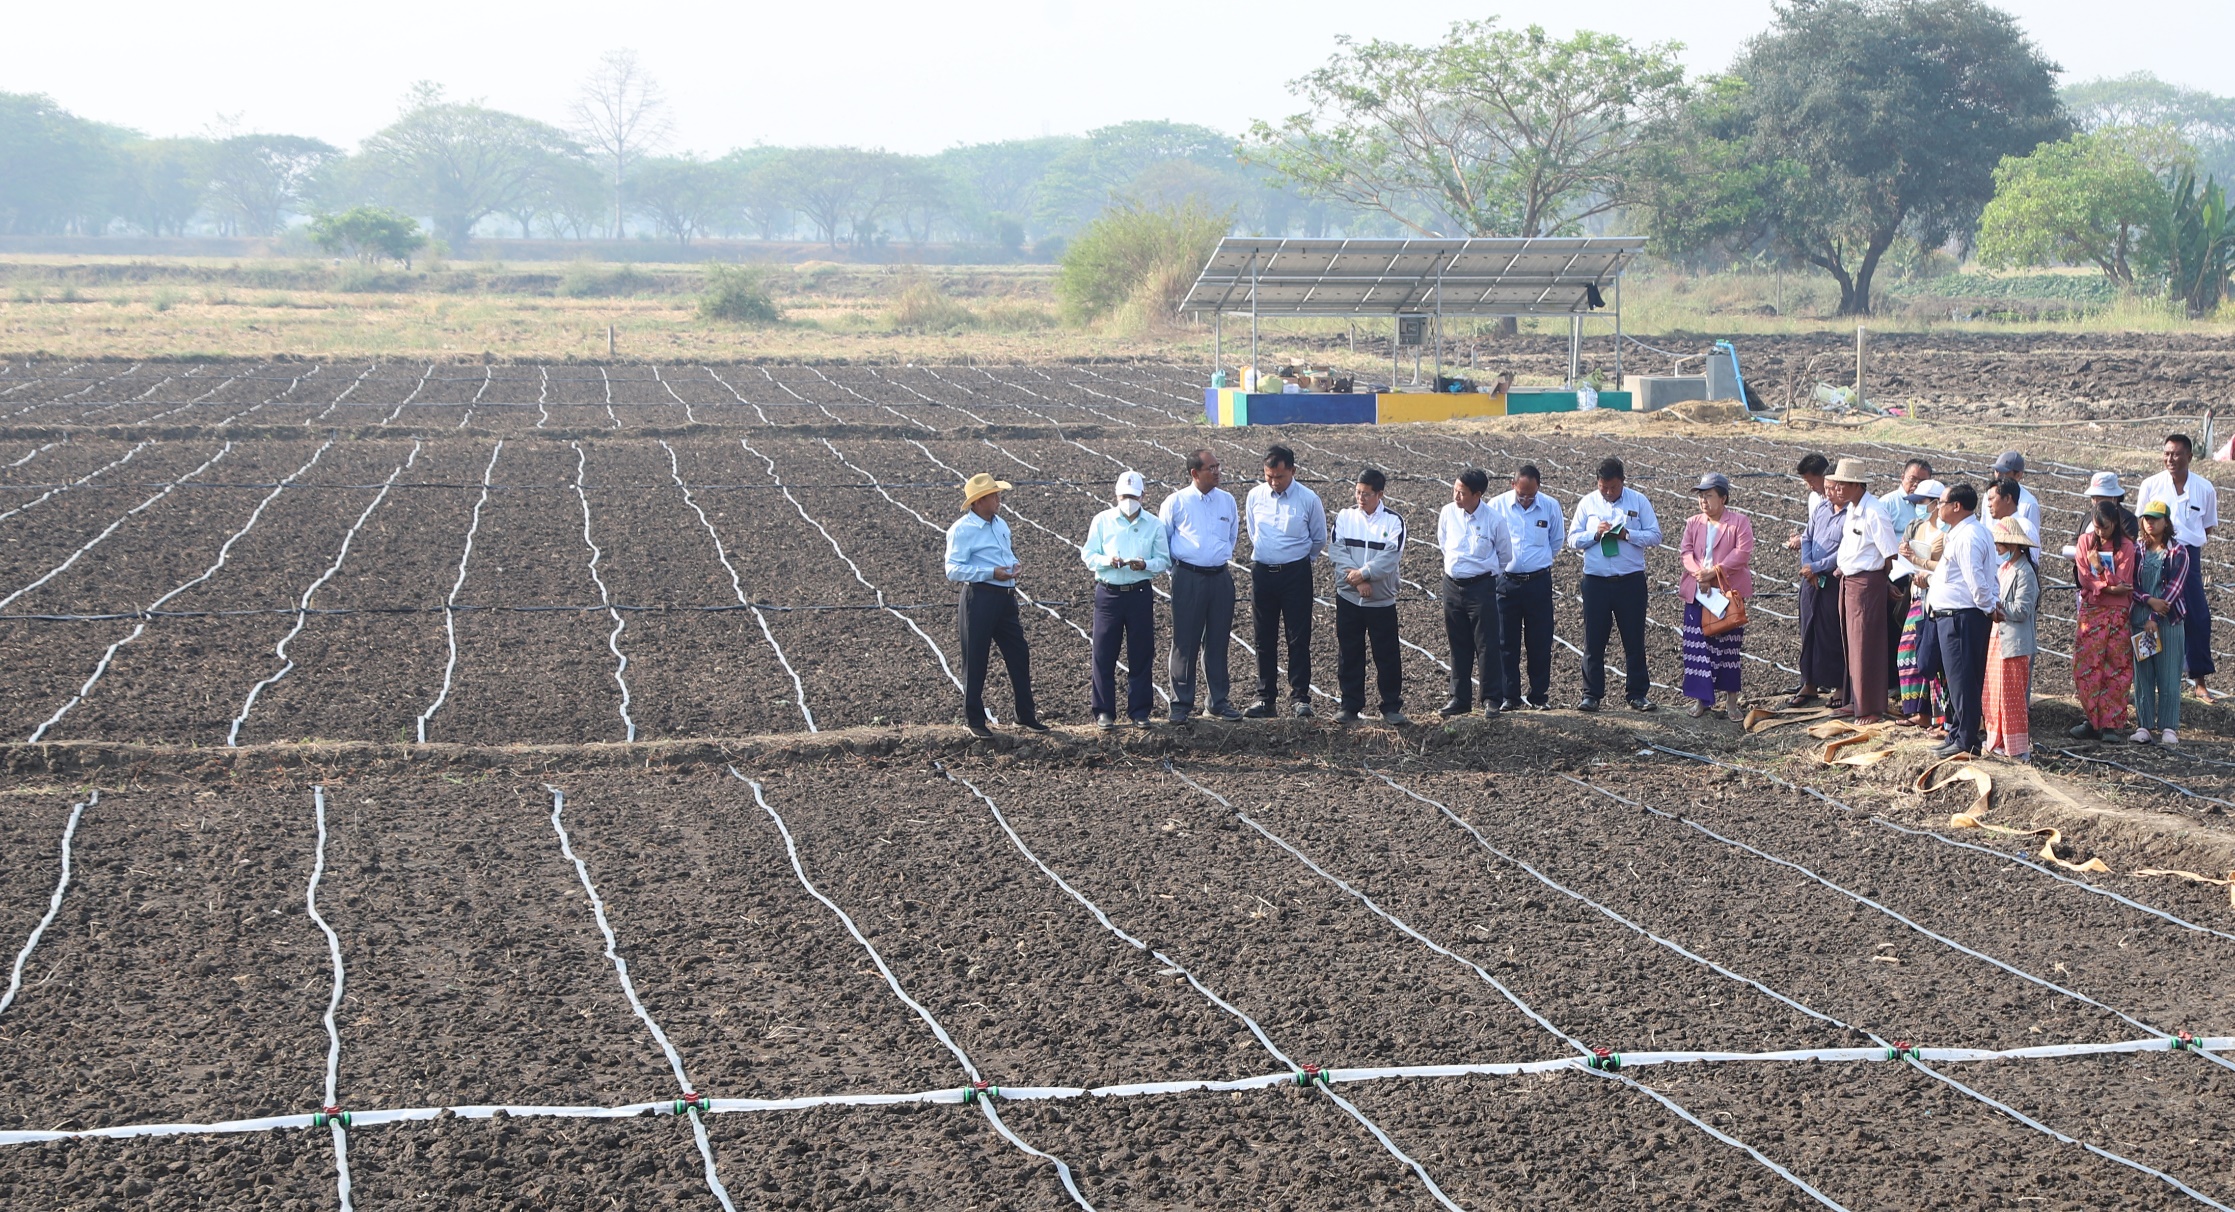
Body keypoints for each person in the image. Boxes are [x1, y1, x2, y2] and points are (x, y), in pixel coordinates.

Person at [945, 472, 1046, 737]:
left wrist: (1013, 565)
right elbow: (953, 569)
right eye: (994, 496)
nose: (999, 499)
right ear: (978, 501)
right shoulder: (962, 530)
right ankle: (974, 720)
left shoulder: (1001, 524)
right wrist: (990, 573)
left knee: (1019, 654)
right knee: (976, 658)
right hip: (979, 597)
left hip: (1005, 598)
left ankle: (1025, 715)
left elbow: (1005, 553)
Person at [1567, 456, 1662, 712]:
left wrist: (1628, 534)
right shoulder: (1587, 503)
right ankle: (1591, 695)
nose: (1608, 492)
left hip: (1630, 582)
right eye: (1603, 487)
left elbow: (1655, 535)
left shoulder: (1638, 501)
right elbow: (1572, 539)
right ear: (1597, 482)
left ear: (1623, 481)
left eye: (1613, 487)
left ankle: (1637, 694)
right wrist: (1595, 534)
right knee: (1594, 640)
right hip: (1596, 582)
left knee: (1634, 639)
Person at [1080, 470, 1170, 730]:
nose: (1128, 501)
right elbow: (1088, 555)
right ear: (1116, 495)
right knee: (1103, 652)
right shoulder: (1102, 520)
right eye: (1124, 496)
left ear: (1143, 496)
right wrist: (1107, 560)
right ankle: (1104, 711)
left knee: (1141, 652)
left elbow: (1163, 559)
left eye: (1133, 496)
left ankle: (1139, 711)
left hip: (1139, 592)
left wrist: (1145, 564)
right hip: (1109, 592)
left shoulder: (1154, 524)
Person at [1243, 445, 1327, 718]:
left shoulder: (1308, 499)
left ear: (1293, 471)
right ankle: (1265, 698)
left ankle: (1300, 698)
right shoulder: (1255, 496)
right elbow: (1253, 532)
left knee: (1298, 638)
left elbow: (1318, 538)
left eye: (1279, 476)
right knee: (1263, 637)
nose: (1274, 482)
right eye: (1269, 476)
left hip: (1295, 575)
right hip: (1262, 573)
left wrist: (1296, 559)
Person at [1160, 448, 1242, 724]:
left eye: (1218, 466)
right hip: (1188, 577)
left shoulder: (1227, 501)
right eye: (1211, 468)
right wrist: (1179, 572)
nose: (1217, 472)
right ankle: (1181, 704)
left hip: (1220, 577)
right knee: (1185, 641)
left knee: (1218, 640)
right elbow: (1164, 540)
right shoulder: (1176, 502)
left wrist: (1216, 559)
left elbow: (1232, 536)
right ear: (1195, 473)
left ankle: (1218, 701)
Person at [2136, 434, 2219, 702]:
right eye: (2167, 454)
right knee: (2150, 612)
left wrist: (2183, 548)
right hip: (2155, 551)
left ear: (2189, 456)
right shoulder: (2151, 485)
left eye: (2176, 454)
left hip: (2188, 555)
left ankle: (2199, 680)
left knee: (2197, 616)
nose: (2170, 459)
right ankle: (2147, 679)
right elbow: (2142, 522)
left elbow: (2207, 526)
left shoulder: (2204, 488)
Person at [1332, 467, 1409, 724]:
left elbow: (1390, 557)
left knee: (1386, 654)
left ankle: (1391, 706)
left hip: (1381, 600)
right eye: (1358, 492)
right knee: (1349, 652)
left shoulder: (1394, 521)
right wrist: (1358, 583)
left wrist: (1364, 574)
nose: (1360, 498)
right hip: (1349, 598)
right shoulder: (1345, 517)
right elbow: (1337, 552)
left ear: (1380, 494)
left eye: (1366, 494)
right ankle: (1350, 705)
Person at [1927, 483, 1997, 758]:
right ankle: (1957, 732)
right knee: (1957, 678)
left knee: (1963, 679)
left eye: (1941, 503)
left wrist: (1988, 607)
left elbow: (1976, 580)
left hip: (1962, 617)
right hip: (1955, 615)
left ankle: (1966, 739)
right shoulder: (1963, 533)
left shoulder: (1968, 536)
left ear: (1956, 506)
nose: (1938, 508)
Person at [1678, 472, 1754, 721]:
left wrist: (1715, 572)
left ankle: (1731, 702)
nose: (1703, 501)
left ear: (1723, 498)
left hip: (1726, 593)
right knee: (1698, 648)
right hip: (1699, 591)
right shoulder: (1693, 523)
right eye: (1701, 496)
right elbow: (1686, 552)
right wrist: (1699, 574)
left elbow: (1742, 553)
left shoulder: (1739, 522)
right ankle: (1701, 701)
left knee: (1729, 647)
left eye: (1708, 496)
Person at [1828, 459, 1899, 723]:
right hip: (1849, 581)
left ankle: (1870, 707)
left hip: (1866, 585)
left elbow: (1889, 554)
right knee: (1851, 643)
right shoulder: (1853, 509)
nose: (1837, 489)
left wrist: (1882, 582)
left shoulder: (1874, 511)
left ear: (1857, 485)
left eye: (1842, 484)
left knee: (1866, 644)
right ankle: (1854, 699)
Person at [1438, 467, 1513, 718]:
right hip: (1452, 585)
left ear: (1477, 494)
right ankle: (1459, 698)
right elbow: (1443, 543)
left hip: (1481, 587)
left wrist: (1484, 577)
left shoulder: (1494, 520)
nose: (1456, 496)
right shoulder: (1448, 513)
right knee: (1457, 642)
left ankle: (1491, 699)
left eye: (1462, 493)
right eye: (1455, 490)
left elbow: (1505, 556)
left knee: (1487, 643)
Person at [1490, 464, 1562, 711]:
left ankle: (1539, 696)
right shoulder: (1497, 506)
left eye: (1531, 495)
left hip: (1538, 583)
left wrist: (1536, 562)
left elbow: (1556, 541)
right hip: (1506, 582)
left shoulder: (1550, 506)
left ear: (1539, 487)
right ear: (1513, 485)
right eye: (1521, 495)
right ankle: (1509, 697)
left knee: (1540, 641)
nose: (1526, 500)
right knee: (1505, 642)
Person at [2071, 498, 2139, 742]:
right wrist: (2108, 587)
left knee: (2116, 665)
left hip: (2117, 613)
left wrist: (2100, 570)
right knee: (2086, 666)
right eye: (2097, 527)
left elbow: (2124, 582)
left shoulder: (2127, 547)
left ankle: (2111, 724)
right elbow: (2083, 577)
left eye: (2106, 528)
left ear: (2115, 524)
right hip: (2092, 610)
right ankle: (2093, 719)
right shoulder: (2084, 542)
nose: (2101, 533)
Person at [2132, 500, 2192, 745]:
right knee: (2143, 674)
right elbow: (2131, 585)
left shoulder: (2179, 552)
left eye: (2155, 519)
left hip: (2169, 622)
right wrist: (2149, 601)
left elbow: (2174, 589)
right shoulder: (2137, 550)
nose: (2150, 523)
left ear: (2166, 522)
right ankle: (2144, 725)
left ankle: (2169, 727)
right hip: (2140, 621)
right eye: (2147, 518)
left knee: (2169, 674)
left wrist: (2155, 617)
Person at [1982, 518, 2040, 761]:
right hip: (1998, 639)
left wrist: (1996, 606)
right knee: (1994, 693)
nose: (1997, 548)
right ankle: (1997, 740)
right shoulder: (2004, 568)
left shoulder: (2025, 572)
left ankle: (2015, 747)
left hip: (2014, 643)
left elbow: (2023, 609)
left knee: (2011, 697)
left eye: (2000, 544)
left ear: (2012, 545)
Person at [1787, 453, 1843, 706]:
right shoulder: (1821, 508)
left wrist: (1817, 567)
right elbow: (1807, 537)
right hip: (1810, 578)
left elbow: (1846, 550)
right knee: (1807, 628)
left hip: (1833, 578)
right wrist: (1807, 566)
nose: (1828, 493)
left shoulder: (1852, 514)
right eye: (1827, 488)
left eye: (1833, 488)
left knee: (1832, 631)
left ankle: (1839, 685)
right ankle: (1808, 683)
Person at [1895, 480, 1949, 729]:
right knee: (1909, 652)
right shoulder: (1918, 528)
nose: (1918, 506)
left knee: (1925, 653)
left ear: (1937, 504)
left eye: (1922, 502)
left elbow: (1947, 567)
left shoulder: (1946, 534)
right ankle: (1916, 709)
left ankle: (1928, 713)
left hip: (1935, 597)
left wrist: (1919, 562)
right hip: (1917, 594)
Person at [1881, 458, 1933, 687]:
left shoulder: (1931, 508)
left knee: (1914, 630)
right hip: (1895, 575)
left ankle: (1914, 681)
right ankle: (1894, 682)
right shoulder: (1888, 503)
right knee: (1894, 628)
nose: (1916, 485)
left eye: (1922, 481)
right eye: (1912, 479)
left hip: (1920, 576)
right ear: (1902, 477)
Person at [1991, 451, 2043, 542]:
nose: (1998, 476)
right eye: (1996, 471)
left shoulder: (2029, 504)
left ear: (2018, 475)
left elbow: (2032, 541)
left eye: (2003, 472)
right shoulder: (1989, 496)